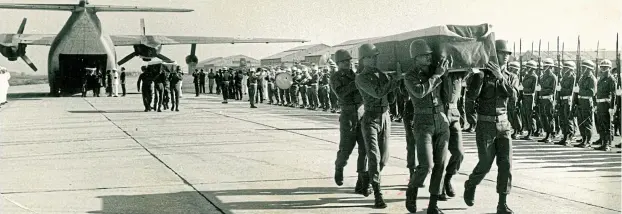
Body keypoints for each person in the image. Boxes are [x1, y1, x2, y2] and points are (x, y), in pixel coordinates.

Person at [463, 40, 515, 214]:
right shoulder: (481, 75)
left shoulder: (510, 76)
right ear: (494, 54)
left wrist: (500, 77)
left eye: (508, 54)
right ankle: (471, 184)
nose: (506, 57)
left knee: (505, 164)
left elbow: (513, 95)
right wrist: (477, 76)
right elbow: (470, 97)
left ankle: (502, 203)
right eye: (502, 53)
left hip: (503, 125)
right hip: (485, 125)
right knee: (485, 163)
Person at [403, 39, 450, 214]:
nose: (429, 58)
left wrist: (444, 75)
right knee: (426, 165)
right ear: (416, 58)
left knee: (440, 165)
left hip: (441, 119)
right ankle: (412, 190)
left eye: (430, 55)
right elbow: (419, 92)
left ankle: (433, 205)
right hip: (422, 122)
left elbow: (447, 95)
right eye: (424, 55)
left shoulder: (436, 72)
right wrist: (437, 76)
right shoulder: (410, 76)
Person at [355, 43, 403, 209]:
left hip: (385, 117)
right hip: (371, 118)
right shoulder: (361, 77)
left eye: (375, 57)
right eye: (370, 57)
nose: (374, 60)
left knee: (383, 159)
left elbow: (390, 96)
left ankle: (365, 178)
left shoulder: (381, 74)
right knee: (374, 157)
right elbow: (377, 92)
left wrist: (397, 85)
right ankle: (377, 193)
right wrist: (393, 81)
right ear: (363, 59)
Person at [330, 49, 371, 197]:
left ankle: (363, 182)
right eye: (344, 61)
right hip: (347, 114)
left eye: (349, 61)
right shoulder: (336, 77)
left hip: (361, 112)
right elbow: (341, 93)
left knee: (365, 149)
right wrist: (357, 82)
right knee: (346, 148)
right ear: (338, 63)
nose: (348, 63)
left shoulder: (355, 75)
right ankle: (339, 167)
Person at [594, 59, 617, 151]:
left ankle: (607, 144)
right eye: (602, 67)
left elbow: (613, 94)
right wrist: (596, 104)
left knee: (606, 124)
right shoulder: (600, 79)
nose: (603, 69)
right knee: (600, 123)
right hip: (599, 103)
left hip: (606, 104)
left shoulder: (611, 79)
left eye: (605, 67)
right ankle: (603, 141)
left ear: (609, 68)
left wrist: (612, 107)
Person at [574, 60, 597, 148]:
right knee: (581, 121)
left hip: (587, 102)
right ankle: (584, 139)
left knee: (587, 122)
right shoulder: (582, 77)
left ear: (589, 69)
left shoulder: (592, 79)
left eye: (584, 67)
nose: (583, 69)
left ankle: (588, 140)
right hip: (580, 101)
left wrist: (580, 91)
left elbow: (592, 92)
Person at [555, 61, 577, 146]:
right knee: (562, 119)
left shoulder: (573, 78)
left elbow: (570, 91)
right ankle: (564, 135)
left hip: (568, 100)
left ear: (570, 69)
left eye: (566, 68)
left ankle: (569, 136)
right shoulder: (563, 78)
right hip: (562, 99)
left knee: (568, 119)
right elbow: (559, 90)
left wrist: (562, 89)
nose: (564, 70)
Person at [537, 58, 558, 143]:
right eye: (544, 66)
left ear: (550, 67)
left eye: (546, 66)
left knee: (549, 117)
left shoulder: (553, 77)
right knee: (543, 117)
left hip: (548, 99)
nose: (545, 68)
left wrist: (542, 90)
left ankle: (551, 134)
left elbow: (552, 90)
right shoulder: (542, 76)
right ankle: (547, 133)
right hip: (542, 99)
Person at [521, 61, 539, 140]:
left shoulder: (534, 77)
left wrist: (524, 89)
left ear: (532, 68)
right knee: (525, 114)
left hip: (530, 97)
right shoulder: (526, 75)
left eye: (528, 67)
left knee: (530, 114)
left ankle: (531, 131)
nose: (527, 69)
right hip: (525, 97)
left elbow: (533, 90)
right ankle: (528, 130)